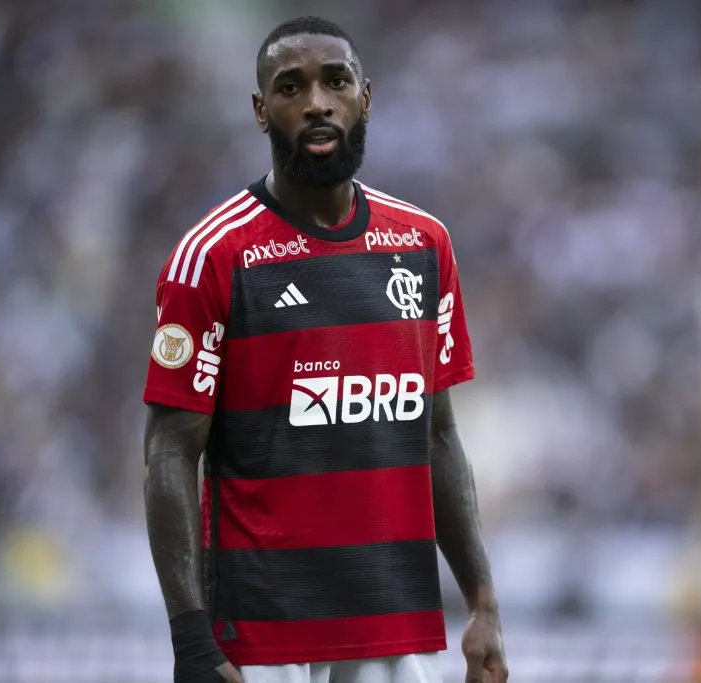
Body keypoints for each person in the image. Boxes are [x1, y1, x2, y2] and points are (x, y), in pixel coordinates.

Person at [142, 15, 508, 683]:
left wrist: (482, 601)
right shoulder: (212, 257)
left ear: (365, 96)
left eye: (335, 82)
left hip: (384, 617)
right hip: (259, 629)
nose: (317, 103)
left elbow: (438, 436)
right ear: (261, 110)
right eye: (291, 87)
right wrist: (190, 637)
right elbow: (170, 451)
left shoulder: (423, 244)